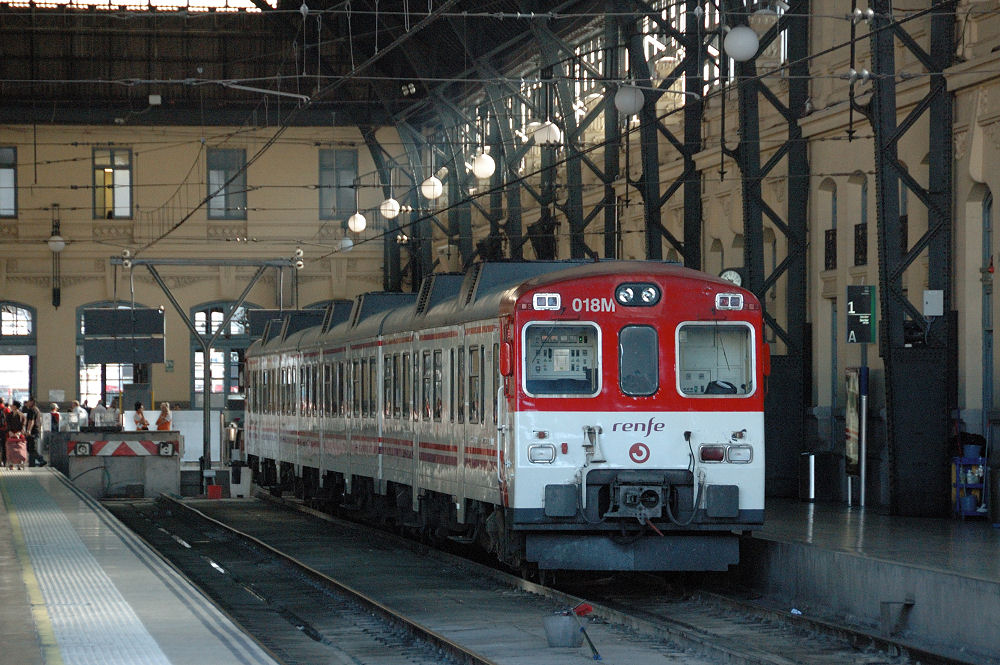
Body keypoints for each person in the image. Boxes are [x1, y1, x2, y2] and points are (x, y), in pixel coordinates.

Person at [23, 397, 46, 467]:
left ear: (32, 402)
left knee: (31, 448)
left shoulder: (32, 410)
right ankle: (32, 464)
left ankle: (41, 460)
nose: (27, 403)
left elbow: (31, 421)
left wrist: (28, 430)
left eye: (29, 401)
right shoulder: (37, 410)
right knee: (31, 448)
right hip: (36, 431)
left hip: (32, 432)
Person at [6, 400, 28, 470]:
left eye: (12, 405)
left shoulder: (22, 415)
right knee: (10, 449)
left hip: (19, 434)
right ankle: (11, 463)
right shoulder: (9, 415)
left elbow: (23, 425)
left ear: (15, 406)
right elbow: (8, 424)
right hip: (10, 434)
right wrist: (10, 431)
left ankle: (19, 463)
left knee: (20, 449)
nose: (11, 406)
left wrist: (19, 432)